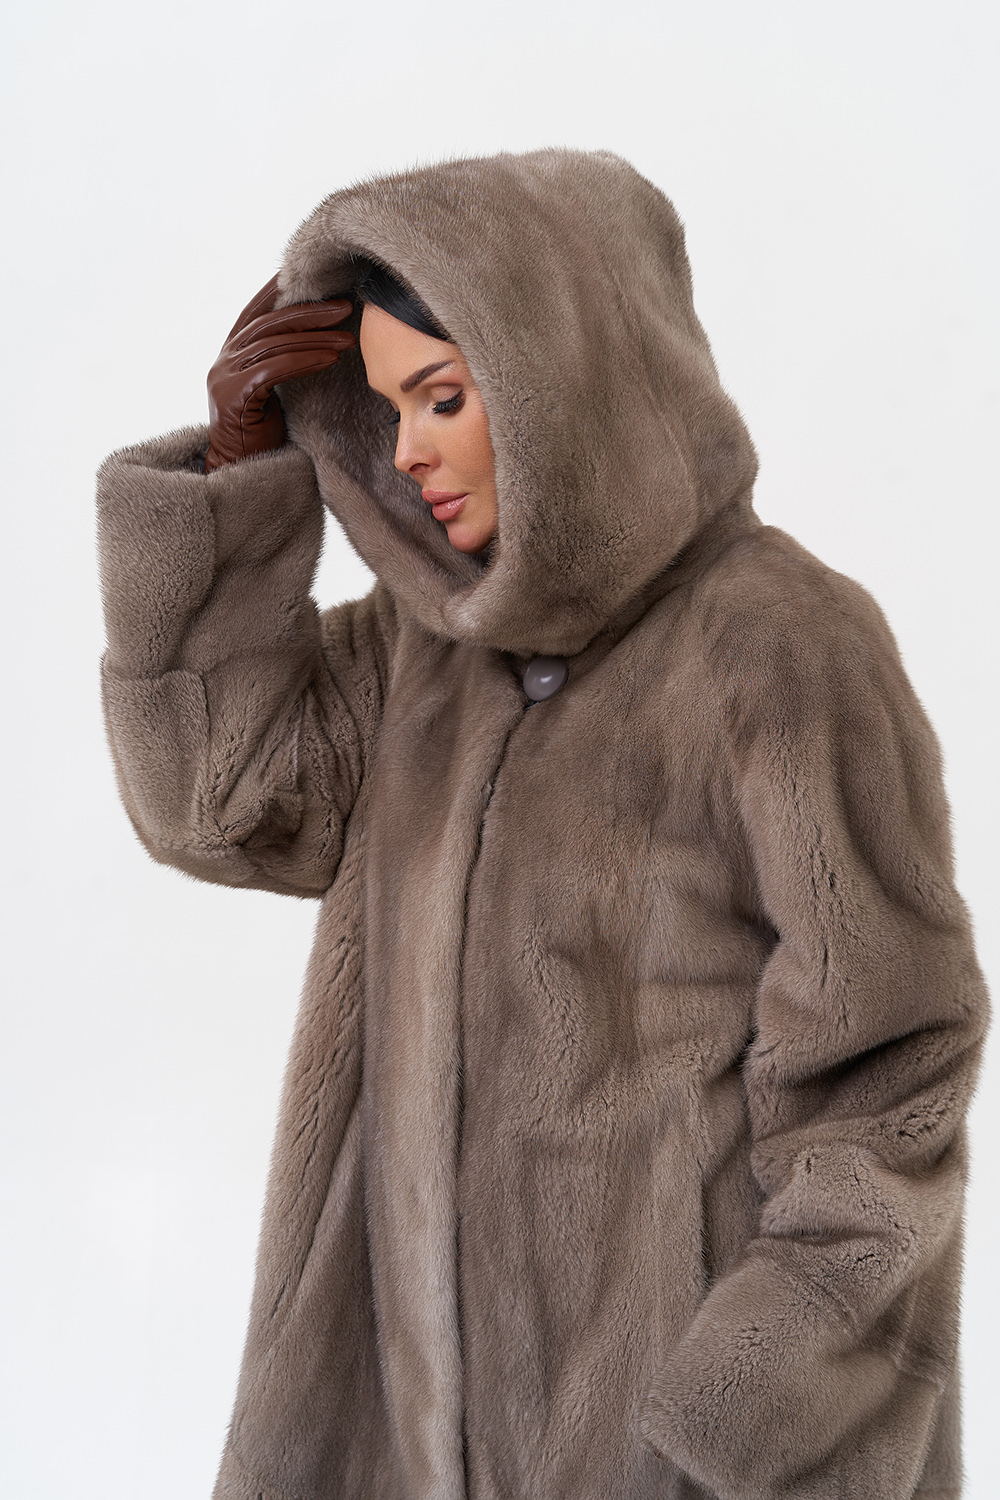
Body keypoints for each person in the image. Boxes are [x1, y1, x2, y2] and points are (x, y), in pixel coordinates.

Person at [96, 148, 989, 1500]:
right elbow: (220, 806)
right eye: (385, 408)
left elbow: (889, 1061)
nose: (406, 452)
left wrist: (745, 1414)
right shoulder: (420, 651)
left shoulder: (784, 645)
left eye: (443, 397)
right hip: (399, 1424)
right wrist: (236, 476)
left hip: (666, 1438)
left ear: (558, 382)